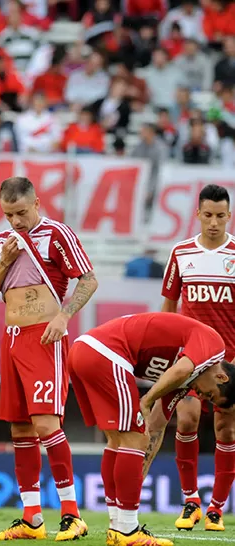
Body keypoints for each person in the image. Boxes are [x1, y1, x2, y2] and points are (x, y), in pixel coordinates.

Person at [0, 176, 97, 541]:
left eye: (21, 212)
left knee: (46, 425)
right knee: (19, 429)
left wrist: (63, 317)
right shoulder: (1, 242)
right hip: (12, 338)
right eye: (8, 214)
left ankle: (72, 515)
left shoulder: (57, 234)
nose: (15, 221)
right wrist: (5, 262)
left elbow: (88, 279)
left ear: (37, 203)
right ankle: (32, 519)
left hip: (44, 336)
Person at [70, 312, 235, 546]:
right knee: (132, 439)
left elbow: (156, 428)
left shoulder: (186, 381)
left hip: (85, 351)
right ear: (221, 377)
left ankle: (117, 525)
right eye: (209, 394)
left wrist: (137, 477)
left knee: (120, 440)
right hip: (106, 352)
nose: (201, 396)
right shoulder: (214, 346)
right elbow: (180, 369)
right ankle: (127, 531)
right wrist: (146, 400)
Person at [161, 183, 235, 532]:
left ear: (229, 215)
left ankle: (217, 508)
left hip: (230, 359)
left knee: (226, 428)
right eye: (208, 215)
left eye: (221, 215)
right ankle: (190, 501)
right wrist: (166, 352)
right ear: (198, 214)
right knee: (187, 421)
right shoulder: (180, 253)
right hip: (190, 359)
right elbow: (168, 308)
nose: (214, 222)